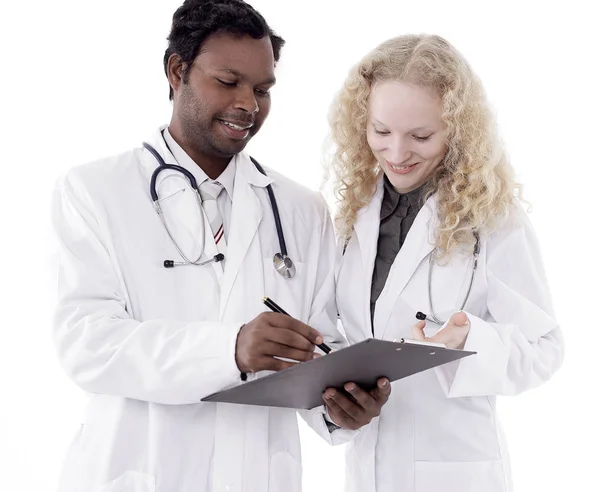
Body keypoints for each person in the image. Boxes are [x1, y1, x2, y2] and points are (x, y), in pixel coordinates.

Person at [50, 1, 390, 491]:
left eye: (263, 90)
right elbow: (88, 343)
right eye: (228, 82)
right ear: (176, 71)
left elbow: (319, 343)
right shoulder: (94, 191)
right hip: (141, 468)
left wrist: (342, 406)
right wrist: (230, 349)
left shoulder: (300, 208)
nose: (249, 105)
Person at [326, 33, 565, 492]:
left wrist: (470, 341)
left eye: (420, 136)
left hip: (456, 470)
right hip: (368, 465)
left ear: (455, 127)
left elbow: (544, 348)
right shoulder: (352, 214)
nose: (397, 154)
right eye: (381, 131)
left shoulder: (494, 219)